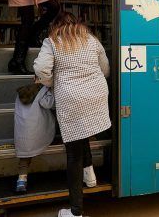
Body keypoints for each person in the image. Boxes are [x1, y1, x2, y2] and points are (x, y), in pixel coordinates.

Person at [33, 12, 111, 217]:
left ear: (56, 25)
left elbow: (41, 70)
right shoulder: (91, 39)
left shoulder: (52, 41)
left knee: (73, 153)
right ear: (77, 23)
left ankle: (76, 212)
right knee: (81, 134)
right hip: (96, 95)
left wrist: (52, 82)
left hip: (71, 98)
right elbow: (105, 68)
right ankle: (90, 176)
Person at [13, 83, 55, 193]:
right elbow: (48, 104)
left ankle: (21, 180)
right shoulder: (42, 91)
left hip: (22, 131)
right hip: (36, 130)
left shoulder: (21, 92)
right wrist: (50, 91)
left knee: (24, 156)